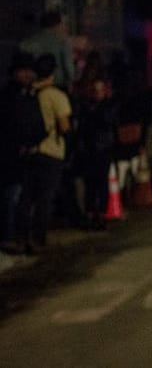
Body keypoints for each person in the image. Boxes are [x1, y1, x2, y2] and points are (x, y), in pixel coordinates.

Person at [14, 53, 72, 253]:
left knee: (27, 196)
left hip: (29, 150)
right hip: (51, 152)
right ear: (53, 73)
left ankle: (20, 237)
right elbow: (64, 127)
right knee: (44, 198)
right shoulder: (56, 96)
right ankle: (38, 239)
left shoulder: (28, 93)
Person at [0, 53, 37, 252]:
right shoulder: (9, 97)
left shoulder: (27, 96)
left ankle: (21, 236)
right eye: (23, 71)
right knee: (11, 197)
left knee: (23, 198)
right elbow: (11, 126)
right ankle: (8, 236)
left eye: (29, 71)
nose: (27, 75)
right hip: (10, 155)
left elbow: (33, 124)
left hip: (25, 155)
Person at [73, 79, 118, 229]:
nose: (97, 94)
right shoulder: (86, 107)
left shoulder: (108, 107)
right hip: (89, 150)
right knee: (90, 183)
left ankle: (102, 213)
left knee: (102, 182)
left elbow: (107, 122)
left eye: (100, 91)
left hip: (103, 150)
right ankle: (91, 212)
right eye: (94, 90)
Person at [18, 10, 75, 91]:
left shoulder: (25, 44)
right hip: (57, 87)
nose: (65, 27)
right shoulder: (62, 43)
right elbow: (69, 70)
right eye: (64, 24)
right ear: (58, 25)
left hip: (32, 88)